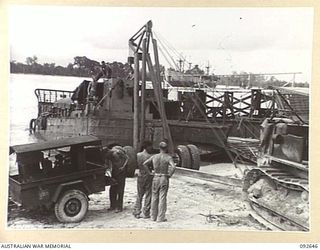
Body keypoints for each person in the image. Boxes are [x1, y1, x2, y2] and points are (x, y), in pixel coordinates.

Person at [142, 141, 176, 222]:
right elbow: (173, 167)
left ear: (159, 148)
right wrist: (170, 174)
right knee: (162, 197)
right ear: (166, 148)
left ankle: (153, 216)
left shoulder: (155, 156)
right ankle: (160, 217)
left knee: (154, 197)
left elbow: (144, 164)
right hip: (164, 177)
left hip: (156, 177)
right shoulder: (168, 157)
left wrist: (150, 172)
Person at [133, 141, 153, 219]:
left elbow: (135, 165)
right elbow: (152, 167)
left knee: (139, 194)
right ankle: (146, 213)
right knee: (148, 194)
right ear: (146, 147)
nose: (151, 148)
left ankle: (137, 212)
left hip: (140, 175)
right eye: (150, 146)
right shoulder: (150, 157)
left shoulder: (138, 155)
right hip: (148, 176)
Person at [106, 146, 129, 213]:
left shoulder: (117, 152)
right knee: (112, 189)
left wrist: (123, 167)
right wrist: (109, 169)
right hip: (114, 171)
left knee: (120, 190)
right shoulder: (109, 156)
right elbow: (109, 163)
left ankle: (119, 207)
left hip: (121, 172)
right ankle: (112, 205)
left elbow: (127, 158)